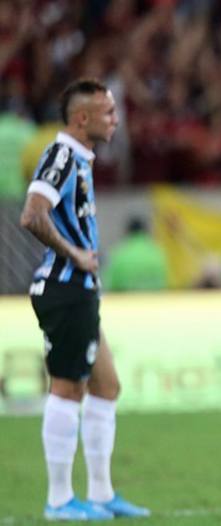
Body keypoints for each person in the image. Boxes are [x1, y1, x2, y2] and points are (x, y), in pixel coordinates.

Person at [19, 79, 150, 521]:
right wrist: (74, 253)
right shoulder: (60, 155)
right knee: (67, 387)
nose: (115, 119)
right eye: (108, 112)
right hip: (64, 288)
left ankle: (100, 493)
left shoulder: (80, 159)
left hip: (80, 290)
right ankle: (58, 500)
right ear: (82, 118)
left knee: (106, 385)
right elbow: (32, 213)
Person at [102, 217, 168, 292]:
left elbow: (111, 287)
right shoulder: (158, 253)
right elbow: (164, 283)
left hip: (127, 302)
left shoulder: (119, 254)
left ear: (127, 232)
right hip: (154, 302)